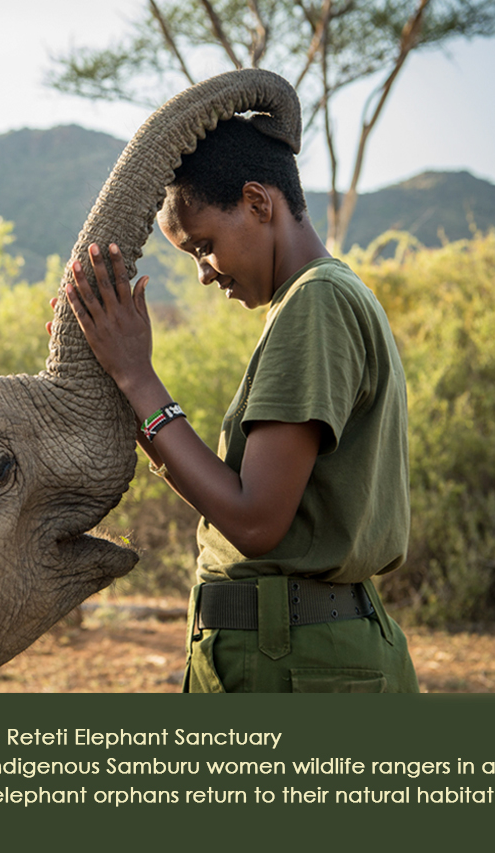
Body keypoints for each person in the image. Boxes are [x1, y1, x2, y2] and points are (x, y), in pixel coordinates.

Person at [62, 114, 419, 693]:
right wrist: (124, 381)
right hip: (289, 654)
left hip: (300, 662)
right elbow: (242, 504)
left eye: (204, 246)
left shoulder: (317, 302)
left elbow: (255, 521)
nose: (204, 274)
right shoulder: (317, 299)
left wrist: (138, 376)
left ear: (257, 203)